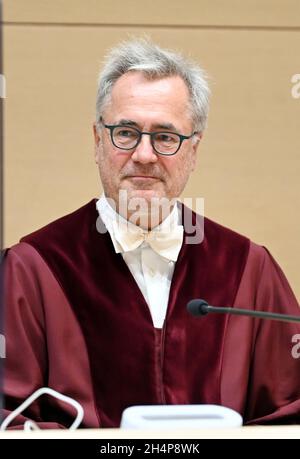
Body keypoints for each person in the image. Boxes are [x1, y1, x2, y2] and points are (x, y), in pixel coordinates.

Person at [2, 39, 300, 429]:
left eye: (165, 137)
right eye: (125, 132)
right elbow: (9, 418)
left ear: (193, 150)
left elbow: (291, 414)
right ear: (97, 141)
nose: (144, 155)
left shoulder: (248, 269)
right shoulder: (32, 269)